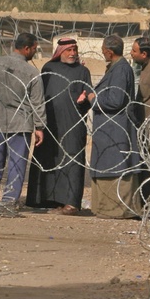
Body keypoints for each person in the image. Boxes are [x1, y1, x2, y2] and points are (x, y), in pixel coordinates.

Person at [0, 32, 46, 207]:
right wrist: (39, 126)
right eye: (34, 49)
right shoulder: (31, 72)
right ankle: (9, 201)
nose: (34, 53)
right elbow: (37, 102)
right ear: (27, 48)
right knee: (16, 164)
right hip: (20, 125)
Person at [26, 38, 92, 214]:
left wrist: (84, 100)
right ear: (60, 52)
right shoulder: (48, 68)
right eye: (68, 50)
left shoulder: (83, 71)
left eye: (74, 50)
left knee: (72, 160)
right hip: (50, 123)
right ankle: (44, 199)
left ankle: (70, 203)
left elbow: (89, 95)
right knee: (48, 158)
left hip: (73, 124)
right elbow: (40, 95)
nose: (72, 53)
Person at [85, 35, 142, 218]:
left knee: (115, 167)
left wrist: (93, 99)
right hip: (110, 129)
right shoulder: (117, 68)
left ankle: (117, 209)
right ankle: (106, 208)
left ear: (109, 51)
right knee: (108, 164)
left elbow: (115, 100)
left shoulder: (120, 70)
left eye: (103, 51)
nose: (102, 53)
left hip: (115, 128)